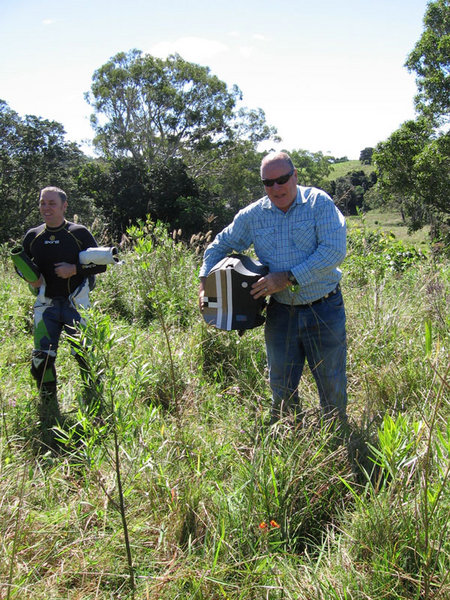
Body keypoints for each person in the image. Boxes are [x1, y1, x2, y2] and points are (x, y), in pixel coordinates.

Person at [199, 152, 348, 425]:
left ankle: (337, 436)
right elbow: (218, 245)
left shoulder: (318, 203)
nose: (276, 188)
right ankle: (289, 433)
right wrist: (205, 286)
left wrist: (288, 278)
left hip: (324, 308)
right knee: (280, 384)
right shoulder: (254, 215)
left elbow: (334, 251)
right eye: (268, 183)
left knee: (332, 381)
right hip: (280, 312)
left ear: (295, 176)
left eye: (282, 180)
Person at [22, 186, 106, 446]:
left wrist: (75, 269)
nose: (46, 208)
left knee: (85, 355)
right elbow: (22, 264)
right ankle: (49, 407)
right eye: (42, 203)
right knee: (42, 358)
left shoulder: (79, 233)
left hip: (75, 304)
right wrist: (31, 278)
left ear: (64, 206)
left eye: (52, 203)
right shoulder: (33, 236)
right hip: (46, 306)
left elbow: (101, 264)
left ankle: (94, 402)